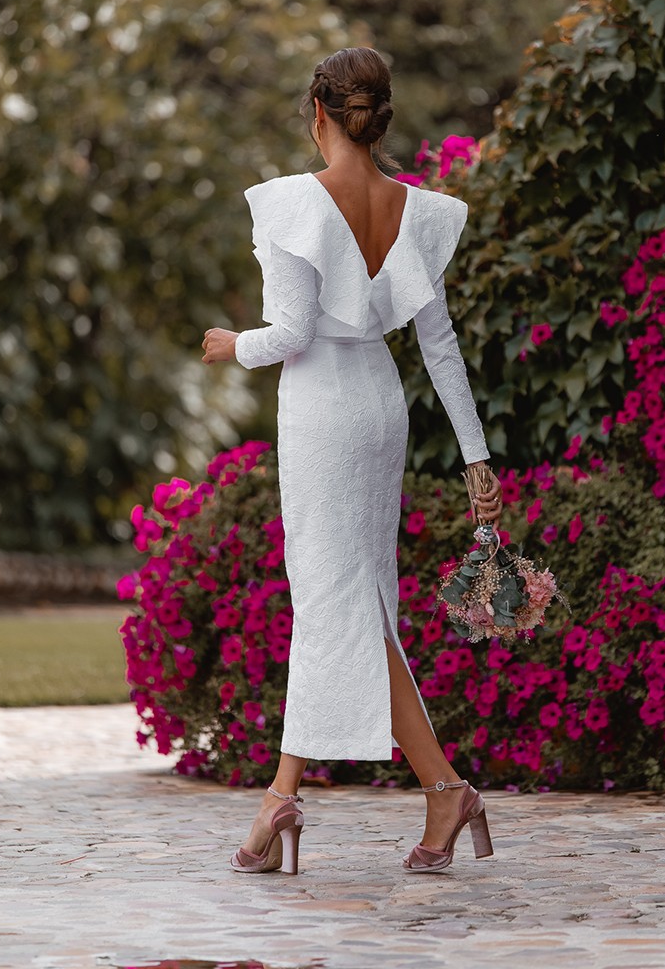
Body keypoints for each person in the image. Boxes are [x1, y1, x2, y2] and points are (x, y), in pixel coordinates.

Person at [202, 47, 503, 876]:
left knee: (339, 601)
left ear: (320, 111)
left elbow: (291, 335)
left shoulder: (296, 202)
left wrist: (235, 346)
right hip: (381, 404)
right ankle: (289, 796)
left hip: (325, 412)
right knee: (352, 601)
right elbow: (439, 345)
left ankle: (427, 789)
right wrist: (476, 454)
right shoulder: (412, 207)